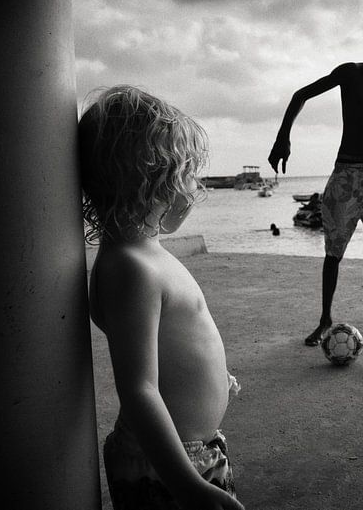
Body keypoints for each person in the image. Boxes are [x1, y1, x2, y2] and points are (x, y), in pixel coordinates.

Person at [79, 86, 244, 510]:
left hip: (187, 455)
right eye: (188, 173)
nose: (196, 185)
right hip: (167, 469)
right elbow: (139, 390)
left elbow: (173, 345)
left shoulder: (145, 256)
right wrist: (188, 485)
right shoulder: (132, 270)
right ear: (152, 180)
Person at [268, 15, 363, 346]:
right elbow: (300, 95)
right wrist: (283, 138)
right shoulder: (350, 73)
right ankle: (325, 318)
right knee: (333, 248)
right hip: (347, 171)